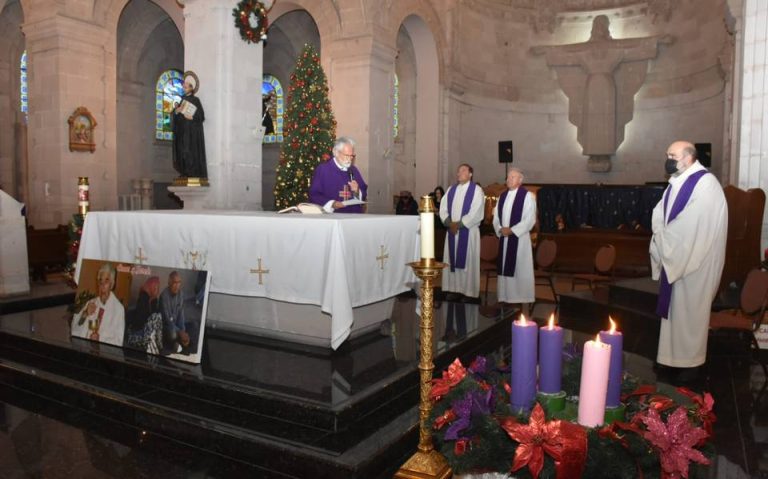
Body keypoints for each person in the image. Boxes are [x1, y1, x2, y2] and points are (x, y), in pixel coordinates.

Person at [650, 140, 727, 376]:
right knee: (674, 311)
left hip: (696, 260)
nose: (669, 160)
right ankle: (670, 358)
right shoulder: (675, 182)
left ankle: (692, 363)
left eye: (673, 156)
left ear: (688, 158)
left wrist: (666, 237)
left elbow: (694, 223)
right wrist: (663, 235)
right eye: (667, 154)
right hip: (678, 254)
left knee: (691, 312)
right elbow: (659, 213)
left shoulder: (706, 184)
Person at [439, 164, 485, 299]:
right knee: (451, 261)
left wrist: (458, 225)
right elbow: (443, 209)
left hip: (468, 232)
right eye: (458, 171)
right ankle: (453, 289)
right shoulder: (451, 190)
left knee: (467, 262)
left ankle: (468, 291)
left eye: (463, 170)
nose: (459, 173)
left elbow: (476, 212)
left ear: (470, 174)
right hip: (452, 232)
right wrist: (449, 223)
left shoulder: (476, 190)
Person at [492, 168, 536, 307]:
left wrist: (512, 230)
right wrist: (500, 229)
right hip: (504, 238)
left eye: (513, 177)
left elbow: (530, 219)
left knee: (518, 268)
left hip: (519, 239)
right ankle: (505, 296)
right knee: (505, 267)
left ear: (520, 180)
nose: (509, 179)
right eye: (508, 177)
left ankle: (518, 298)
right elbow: (496, 217)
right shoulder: (502, 197)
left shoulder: (527, 196)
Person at [309, 136, 368, 213]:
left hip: (354, 216)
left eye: (352, 156)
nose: (350, 159)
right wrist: (332, 203)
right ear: (336, 152)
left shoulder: (354, 170)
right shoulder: (323, 170)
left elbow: (363, 191)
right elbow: (314, 195)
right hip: (333, 216)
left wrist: (357, 191)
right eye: (347, 155)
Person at [71, 263, 125, 347]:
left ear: (112, 284)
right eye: (100, 280)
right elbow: (75, 331)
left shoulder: (118, 309)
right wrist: (85, 314)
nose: (102, 285)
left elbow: (118, 341)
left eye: (106, 280)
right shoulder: (91, 303)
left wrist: (100, 340)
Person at [172, 71, 208, 179]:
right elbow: (176, 117)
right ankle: (184, 172)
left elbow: (201, 116)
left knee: (189, 151)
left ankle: (191, 172)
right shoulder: (181, 100)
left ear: (191, 88)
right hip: (182, 132)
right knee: (182, 151)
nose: (184, 88)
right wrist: (176, 112)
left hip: (191, 133)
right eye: (183, 87)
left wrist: (192, 117)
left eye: (186, 87)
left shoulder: (196, 100)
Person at [125, 276, 163, 354]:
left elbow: (155, 319)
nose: (157, 291)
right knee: (157, 316)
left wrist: (154, 300)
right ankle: (158, 346)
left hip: (145, 335)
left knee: (157, 316)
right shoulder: (143, 298)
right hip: (135, 337)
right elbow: (141, 322)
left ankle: (158, 345)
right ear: (152, 287)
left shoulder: (152, 299)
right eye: (156, 287)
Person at [160, 271, 192, 354]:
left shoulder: (180, 294)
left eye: (179, 282)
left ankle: (181, 344)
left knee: (194, 326)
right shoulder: (164, 296)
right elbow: (167, 320)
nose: (177, 286)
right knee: (173, 334)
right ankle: (175, 347)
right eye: (175, 283)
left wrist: (183, 331)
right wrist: (180, 332)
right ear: (169, 283)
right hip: (166, 327)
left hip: (176, 326)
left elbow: (181, 315)